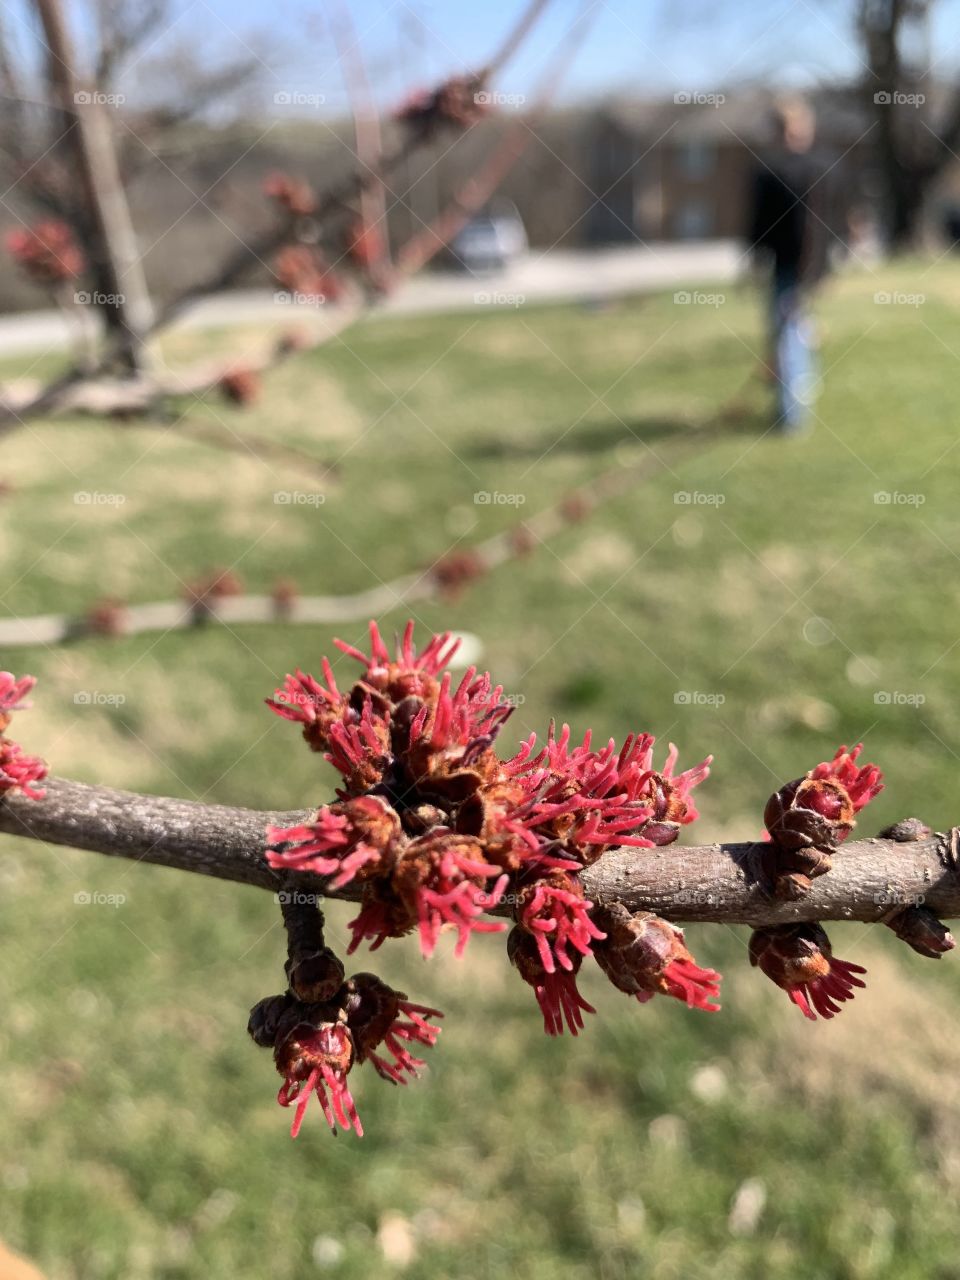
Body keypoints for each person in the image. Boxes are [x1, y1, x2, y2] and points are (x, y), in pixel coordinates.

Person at [748, 97, 832, 435]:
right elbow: (760, 226)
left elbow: (824, 225)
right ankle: (793, 402)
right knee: (792, 335)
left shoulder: (815, 170)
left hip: (798, 272)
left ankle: (791, 414)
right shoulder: (770, 174)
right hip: (786, 268)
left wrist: (820, 270)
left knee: (789, 338)